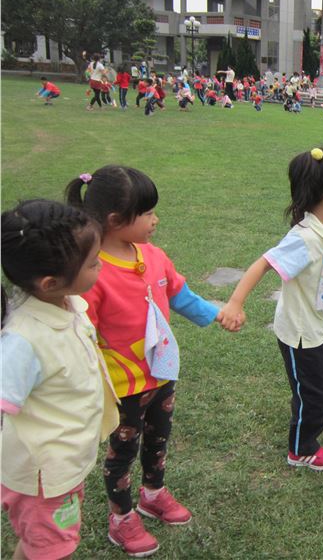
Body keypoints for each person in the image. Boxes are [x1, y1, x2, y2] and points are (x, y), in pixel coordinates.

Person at [66, 165, 228, 557]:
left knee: (158, 441)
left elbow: (179, 294)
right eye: (148, 213)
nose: (156, 220)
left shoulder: (154, 256)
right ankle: (121, 517)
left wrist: (216, 314)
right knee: (122, 452)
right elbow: (82, 334)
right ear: (115, 220)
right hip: (123, 387)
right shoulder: (93, 274)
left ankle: (153, 493)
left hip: (162, 373)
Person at [217, 148, 323, 471]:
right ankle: (301, 448)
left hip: (322, 317)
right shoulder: (305, 237)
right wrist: (235, 302)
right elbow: (264, 263)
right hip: (300, 332)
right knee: (311, 394)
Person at [1, 200, 119, 560]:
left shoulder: (67, 303)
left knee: (41, 546)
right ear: (50, 282)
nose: (101, 266)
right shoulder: (23, 340)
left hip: (63, 465)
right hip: (42, 479)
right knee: (53, 551)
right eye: (93, 263)